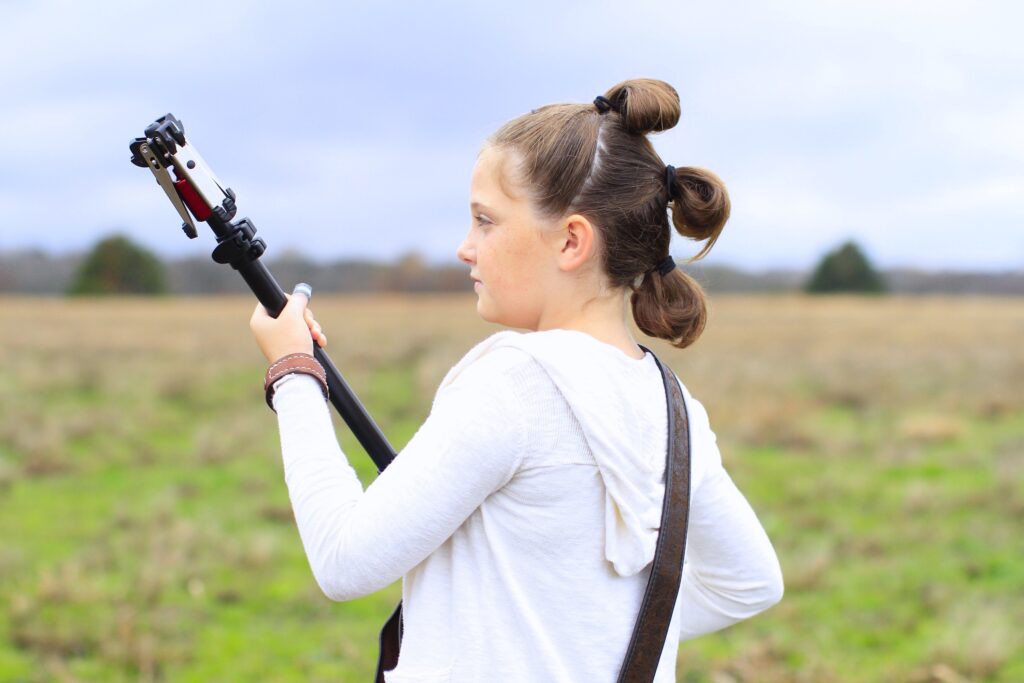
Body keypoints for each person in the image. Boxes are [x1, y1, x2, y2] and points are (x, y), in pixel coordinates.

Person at [249, 78, 784, 683]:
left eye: (486, 221)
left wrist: (292, 371)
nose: (464, 248)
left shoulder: (515, 385)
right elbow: (751, 583)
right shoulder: (673, 405)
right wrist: (584, 629)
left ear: (571, 241)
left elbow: (343, 562)